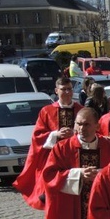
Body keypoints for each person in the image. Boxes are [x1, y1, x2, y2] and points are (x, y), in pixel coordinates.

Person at [41, 108, 110, 219]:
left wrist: (101, 174)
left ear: (97, 126)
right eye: (79, 124)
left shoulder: (109, 148)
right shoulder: (62, 148)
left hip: (102, 208)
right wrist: (78, 174)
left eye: (87, 124)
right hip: (72, 209)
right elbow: (48, 176)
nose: (82, 129)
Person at [14, 77, 83, 210]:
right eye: (63, 89)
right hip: (54, 156)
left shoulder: (81, 110)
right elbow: (37, 136)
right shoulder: (47, 111)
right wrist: (55, 135)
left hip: (76, 155)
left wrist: (76, 134)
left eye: (69, 89)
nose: (67, 92)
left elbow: (92, 130)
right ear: (56, 91)